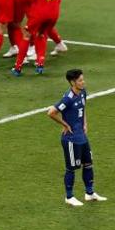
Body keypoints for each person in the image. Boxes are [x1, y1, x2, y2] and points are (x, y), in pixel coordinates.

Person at [47, 69, 107, 206]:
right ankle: (69, 197)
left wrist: (85, 122)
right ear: (73, 82)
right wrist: (65, 124)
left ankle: (89, 193)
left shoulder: (83, 93)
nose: (83, 82)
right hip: (71, 139)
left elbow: (83, 108)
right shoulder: (68, 98)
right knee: (72, 168)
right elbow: (51, 112)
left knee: (88, 164)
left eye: (83, 79)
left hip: (82, 136)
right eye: (80, 80)